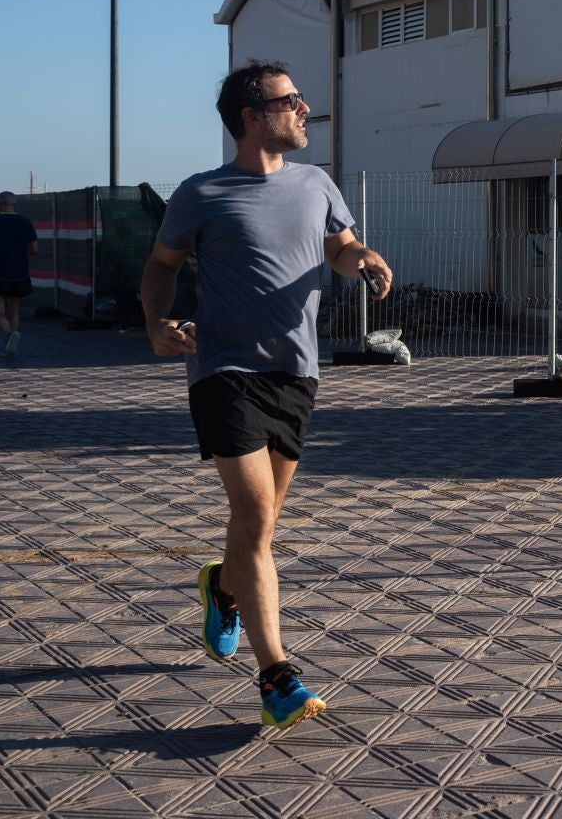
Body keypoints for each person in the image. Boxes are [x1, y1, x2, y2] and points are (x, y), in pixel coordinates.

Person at [142, 60, 390, 730]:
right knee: (253, 512)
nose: (305, 109)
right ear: (254, 118)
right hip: (222, 369)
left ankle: (221, 589)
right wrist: (156, 321)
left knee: (262, 525)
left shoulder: (316, 183)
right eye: (292, 100)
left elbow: (338, 247)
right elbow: (161, 268)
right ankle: (277, 674)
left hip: (295, 373)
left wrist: (360, 257)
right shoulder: (201, 193)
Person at [0, 192, 38, 357]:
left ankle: (9, 335)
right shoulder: (26, 222)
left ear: (0, 204)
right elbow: (34, 249)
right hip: (20, 271)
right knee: (14, 309)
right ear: (15, 204)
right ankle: (13, 342)